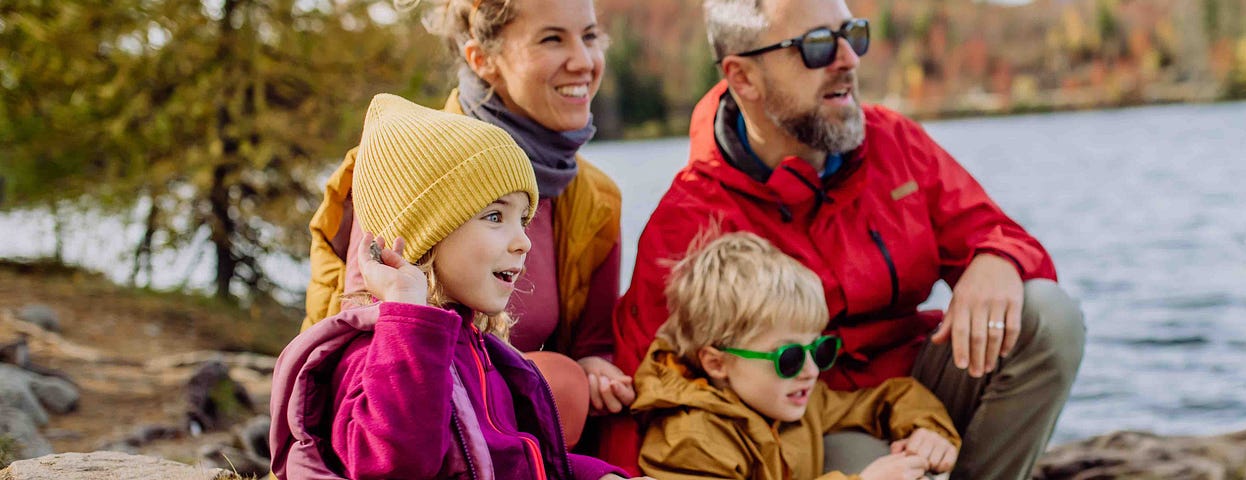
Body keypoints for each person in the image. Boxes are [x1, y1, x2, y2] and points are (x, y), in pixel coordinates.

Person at [607, 0, 1088, 477]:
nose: (848, 59)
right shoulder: (690, 219)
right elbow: (649, 381)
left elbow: (1000, 234)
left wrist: (995, 258)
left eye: (852, 35)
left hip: (917, 386)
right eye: (816, 46)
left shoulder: (893, 141)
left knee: (1046, 315)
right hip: (806, 421)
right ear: (743, 78)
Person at [301, 0, 635, 441]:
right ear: (483, 60)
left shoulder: (597, 197)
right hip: (407, 421)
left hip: (520, 433)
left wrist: (594, 370)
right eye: (552, 39)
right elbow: (355, 353)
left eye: (590, 36)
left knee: (567, 384)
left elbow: (591, 346)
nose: (585, 61)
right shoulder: (409, 168)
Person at [270, 94, 640, 480]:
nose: (523, 241)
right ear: (427, 234)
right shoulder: (374, 355)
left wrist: (599, 476)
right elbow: (397, 464)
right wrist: (407, 312)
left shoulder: (475, 349)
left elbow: (512, 460)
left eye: (523, 220)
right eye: (495, 216)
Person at [631, 232, 959, 480]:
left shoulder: (796, 400)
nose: (811, 370)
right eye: (788, 358)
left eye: (819, 349)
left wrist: (928, 430)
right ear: (717, 363)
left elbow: (887, 398)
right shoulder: (691, 441)